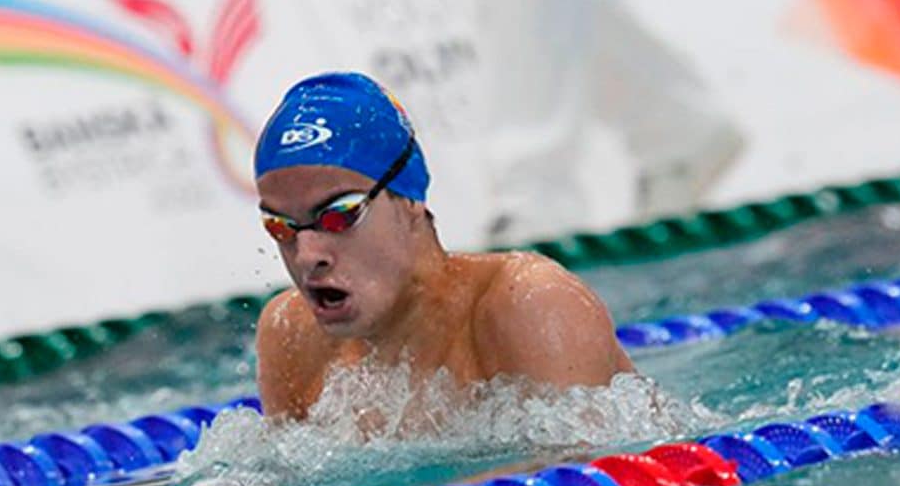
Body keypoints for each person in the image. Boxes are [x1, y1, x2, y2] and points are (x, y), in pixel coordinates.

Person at [252, 72, 634, 428]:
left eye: (339, 215)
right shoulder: (290, 334)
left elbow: (580, 484)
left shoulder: (527, 304)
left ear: (409, 199)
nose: (306, 256)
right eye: (280, 226)